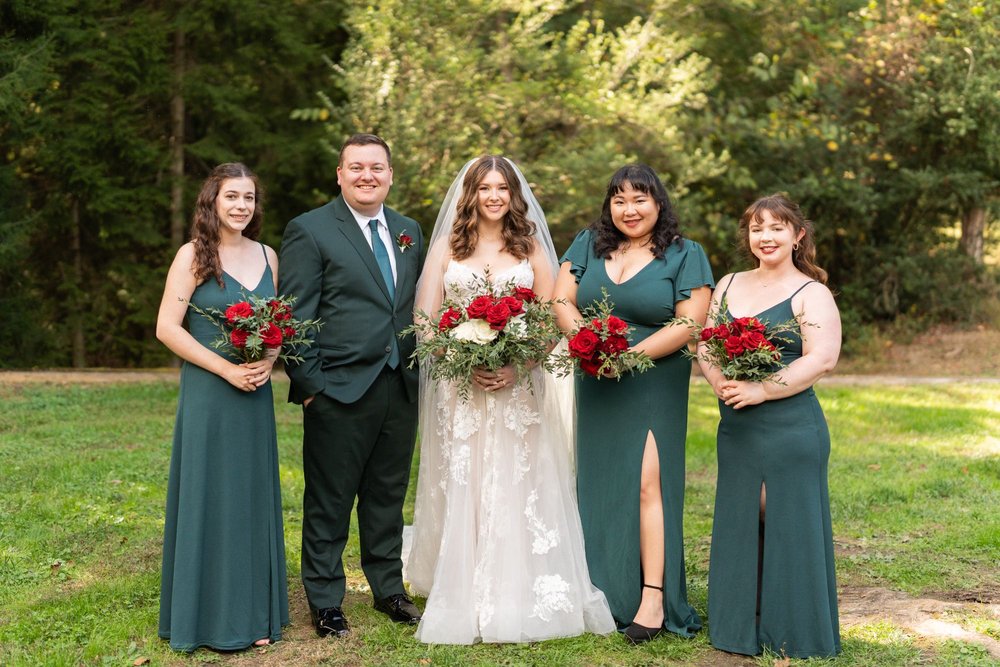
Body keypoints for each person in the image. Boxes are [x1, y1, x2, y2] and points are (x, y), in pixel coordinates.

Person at [404, 155, 616, 644]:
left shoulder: (530, 245)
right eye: (485, 188)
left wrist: (518, 364)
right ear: (471, 195)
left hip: (518, 386)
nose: (494, 196)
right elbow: (425, 318)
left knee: (518, 477)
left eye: (503, 188)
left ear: (514, 195)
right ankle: (463, 578)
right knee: (466, 475)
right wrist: (460, 357)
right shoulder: (448, 246)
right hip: (462, 387)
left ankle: (517, 583)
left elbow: (551, 316)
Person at [553, 164, 713, 644]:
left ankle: (653, 596)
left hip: (653, 380)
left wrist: (628, 357)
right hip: (596, 378)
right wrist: (591, 346)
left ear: (658, 203)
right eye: (619, 200)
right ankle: (602, 590)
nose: (629, 209)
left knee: (648, 484)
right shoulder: (587, 244)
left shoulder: (686, 253)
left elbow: (689, 323)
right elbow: (561, 301)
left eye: (640, 199)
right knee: (600, 481)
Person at [278, 133, 424, 637]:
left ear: (390, 174)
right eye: (356, 167)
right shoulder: (310, 229)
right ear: (339, 174)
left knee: (387, 494)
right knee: (330, 499)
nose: (367, 176)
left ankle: (389, 590)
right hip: (337, 388)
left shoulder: (408, 230)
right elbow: (295, 316)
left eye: (376, 167)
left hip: (399, 385)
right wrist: (311, 385)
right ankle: (325, 600)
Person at [700, 194, 841, 658]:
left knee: (784, 515)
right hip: (737, 423)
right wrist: (720, 381)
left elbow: (822, 359)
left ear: (797, 235)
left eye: (777, 228)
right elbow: (706, 345)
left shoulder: (811, 293)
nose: (765, 237)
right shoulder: (728, 284)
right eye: (757, 228)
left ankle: (792, 627)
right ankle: (744, 622)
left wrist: (762, 389)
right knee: (742, 513)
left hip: (791, 424)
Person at [156, 162, 288, 651]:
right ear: (212, 200)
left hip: (255, 392)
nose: (241, 205)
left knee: (249, 495)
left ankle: (254, 615)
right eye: (232, 196)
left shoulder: (268, 255)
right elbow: (167, 328)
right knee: (210, 493)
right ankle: (205, 617)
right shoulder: (193, 254)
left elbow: (277, 323)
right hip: (211, 392)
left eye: (249, 197)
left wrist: (268, 360)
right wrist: (226, 370)